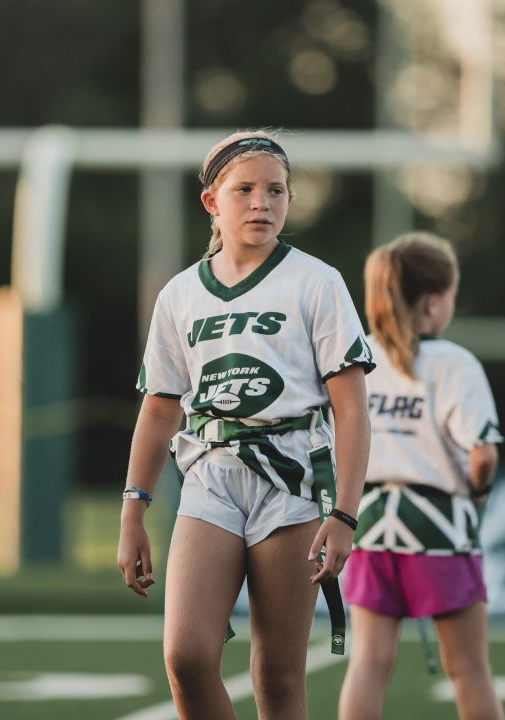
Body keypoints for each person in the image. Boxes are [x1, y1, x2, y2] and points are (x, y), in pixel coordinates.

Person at [115, 130, 374, 719]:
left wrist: (344, 514)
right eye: (245, 189)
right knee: (186, 656)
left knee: (279, 678)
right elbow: (160, 407)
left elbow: (352, 407)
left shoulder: (317, 281)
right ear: (212, 202)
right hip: (210, 476)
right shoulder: (180, 293)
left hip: (292, 481)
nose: (262, 202)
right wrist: (134, 509)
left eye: (276, 190)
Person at [336, 232, 505, 720]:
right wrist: (478, 497)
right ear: (433, 303)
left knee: (367, 663)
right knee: (469, 668)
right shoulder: (456, 363)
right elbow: (484, 455)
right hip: (439, 523)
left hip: (368, 523)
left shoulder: (357, 358)